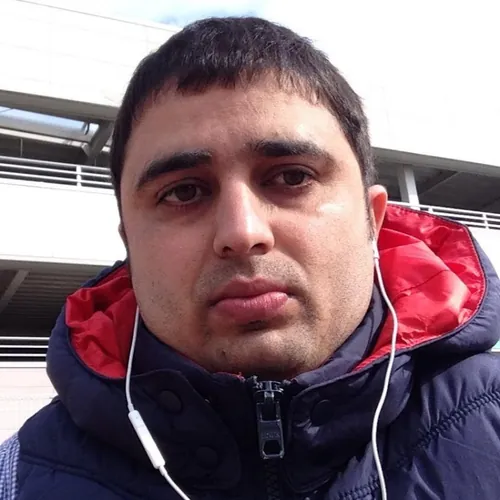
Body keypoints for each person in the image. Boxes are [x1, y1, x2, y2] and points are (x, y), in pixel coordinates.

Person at [1, 16, 500, 500]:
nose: (242, 233)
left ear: (372, 221)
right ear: (129, 243)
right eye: (183, 192)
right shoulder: (15, 479)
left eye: (292, 177)